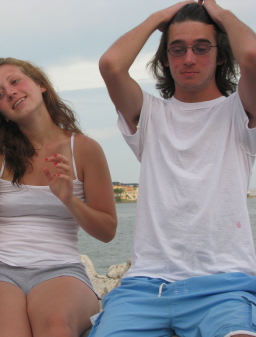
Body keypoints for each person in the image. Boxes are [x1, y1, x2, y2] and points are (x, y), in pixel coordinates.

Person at [91, 0, 256, 336]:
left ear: (221, 54)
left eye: (201, 47)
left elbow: (252, 55)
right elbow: (110, 65)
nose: (189, 58)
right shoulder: (150, 116)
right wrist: (159, 19)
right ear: (165, 59)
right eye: (177, 49)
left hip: (223, 287)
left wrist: (220, 14)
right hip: (145, 288)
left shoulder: (239, 111)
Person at [0, 57, 117, 337]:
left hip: (60, 269)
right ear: (1, 113)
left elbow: (107, 231)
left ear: (41, 85)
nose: (10, 92)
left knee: (56, 327)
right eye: (0, 95)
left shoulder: (86, 150)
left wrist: (69, 199)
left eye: (15, 81)